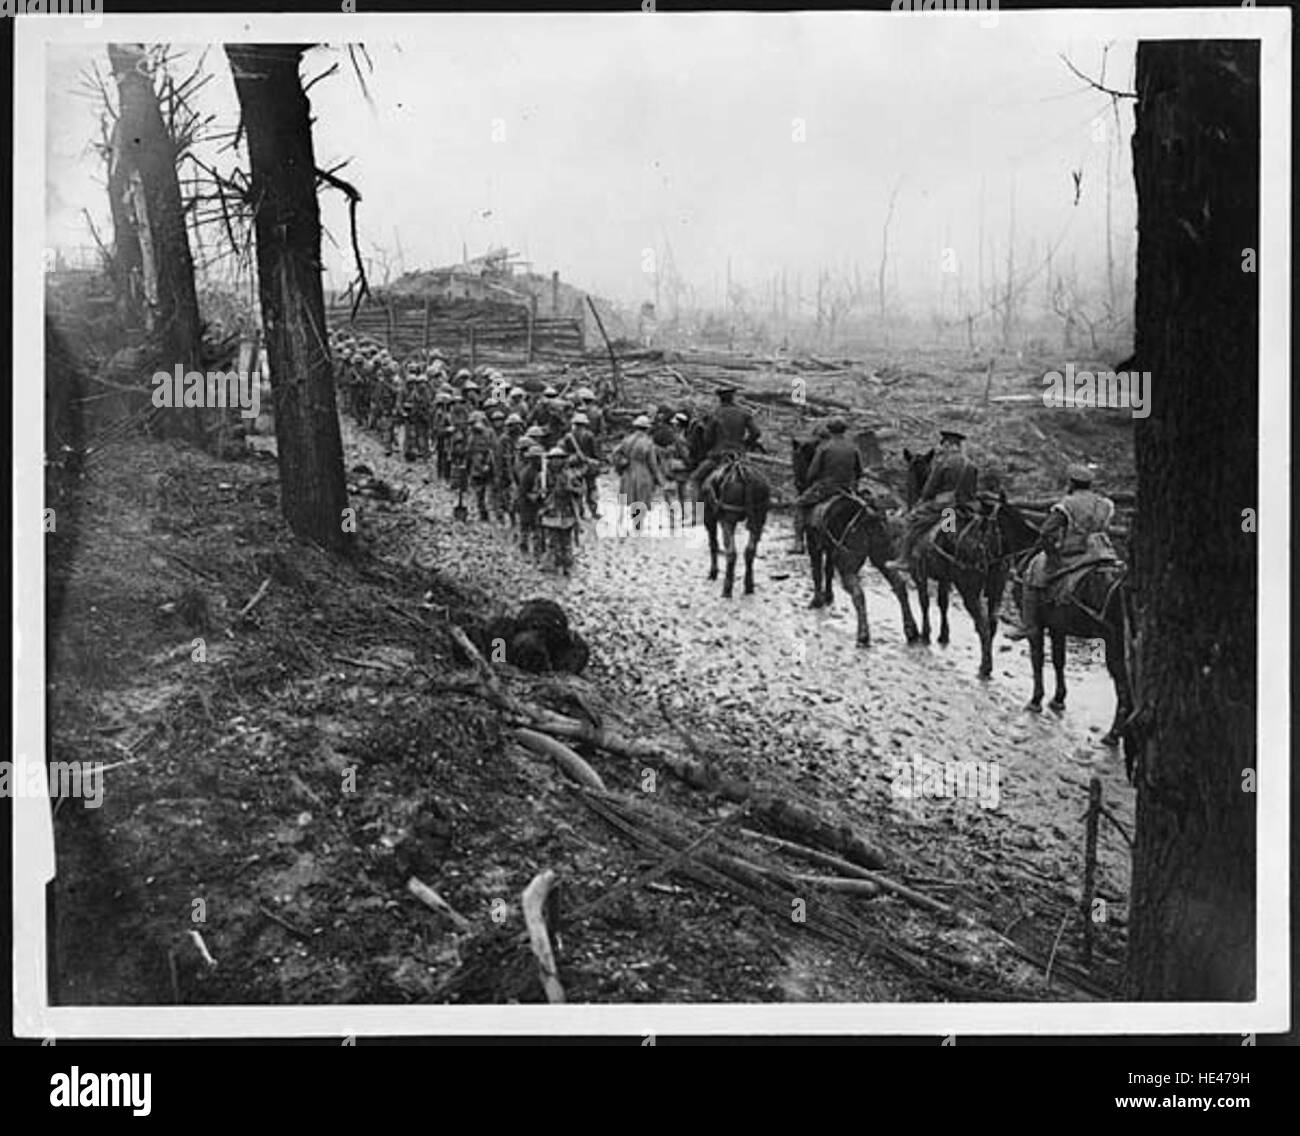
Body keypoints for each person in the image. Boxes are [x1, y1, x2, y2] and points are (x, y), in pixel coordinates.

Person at [1005, 465, 1116, 640]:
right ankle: (1096, 651)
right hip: (1103, 552)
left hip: (1075, 553)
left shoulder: (1067, 503)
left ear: (1071, 483)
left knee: (1032, 571)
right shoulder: (1105, 504)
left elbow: (1046, 532)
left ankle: (1029, 625)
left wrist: (1052, 554)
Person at [886, 428, 978, 571]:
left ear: (948, 444)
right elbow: (972, 491)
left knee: (912, 521)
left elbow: (929, 489)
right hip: (966, 507)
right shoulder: (971, 465)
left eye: (944, 445)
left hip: (945, 507)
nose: (943, 449)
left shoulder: (943, 462)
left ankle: (904, 559)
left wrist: (922, 501)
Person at [794, 418, 863, 542]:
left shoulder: (824, 448)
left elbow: (812, 473)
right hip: (847, 489)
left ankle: (798, 541)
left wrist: (810, 482)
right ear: (844, 430)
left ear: (830, 430)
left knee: (799, 504)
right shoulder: (854, 448)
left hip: (826, 488)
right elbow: (859, 472)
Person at [691, 384, 762, 496]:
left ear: (720, 398)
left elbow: (707, 439)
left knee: (695, 479)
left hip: (718, 456)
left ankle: (698, 507)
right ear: (733, 397)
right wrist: (745, 444)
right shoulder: (744, 413)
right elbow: (756, 433)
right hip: (740, 455)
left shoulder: (715, 414)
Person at [610, 414, 667, 531]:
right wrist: (659, 479)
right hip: (643, 472)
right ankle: (638, 523)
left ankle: (628, 521)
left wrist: (621, 464)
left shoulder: (627, 440)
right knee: (641, 497)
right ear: (647, 428)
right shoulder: (648, 443)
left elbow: (615, 452)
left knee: (630, 496)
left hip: (628, 471)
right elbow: (652, 463)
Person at [539, 446, 583, 575]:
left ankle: (567, 564)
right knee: (552, 540)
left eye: (559, 459)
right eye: (554, 459)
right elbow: (537, 493)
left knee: (566, 540)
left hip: (566, 511)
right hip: (550, 511)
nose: (556, 462)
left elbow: (580, 490)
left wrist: (571, 489)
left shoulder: (570, 475)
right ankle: (553, 563)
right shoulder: (543, 476)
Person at [563, 410, 603, 519]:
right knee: (591, 488)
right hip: (587, 465)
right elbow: (595, 452)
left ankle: (580, 512)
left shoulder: (569, 436)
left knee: (577, 489)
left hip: (575, 466)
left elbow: (565, 452)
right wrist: (596, 461)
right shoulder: (589, 435)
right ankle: (593, 511)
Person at [466, 412, 501, 521]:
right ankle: (483, 513)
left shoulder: (490, 433)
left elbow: (495, 450)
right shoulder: (472, 436)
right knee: (479, 491)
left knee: (492, 491)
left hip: (490, 465)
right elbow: (469, 453)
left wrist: (489, 464)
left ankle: (495, 513)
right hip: (477, 467)